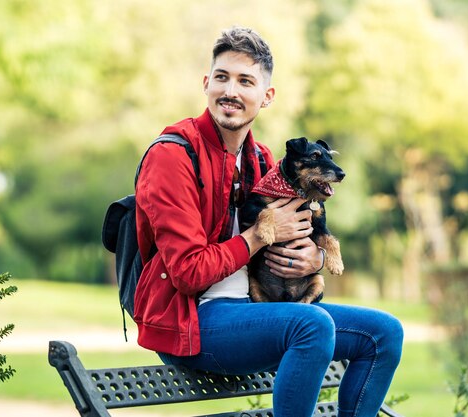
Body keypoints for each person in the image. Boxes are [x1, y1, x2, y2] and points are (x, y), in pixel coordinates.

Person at [134, 26, 404, 417]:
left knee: (385, 333)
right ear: (206, 83)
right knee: (312, 327)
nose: (231, 91)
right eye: (222, 78)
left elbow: (306, 230)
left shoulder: (263, 162)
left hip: (263, 308)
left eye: (246, 81)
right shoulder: (173, 157)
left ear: (267, 96)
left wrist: (311, 258)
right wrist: (260, 236)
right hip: (194, 320)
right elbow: (188, 274)